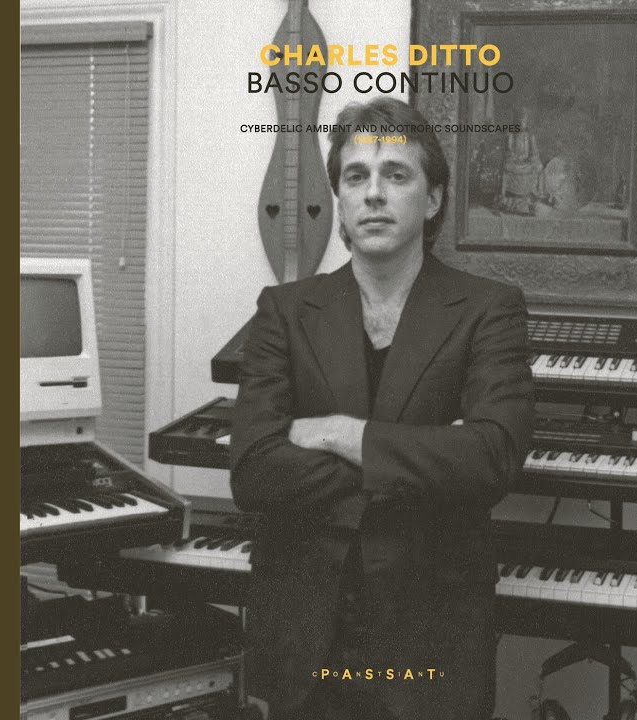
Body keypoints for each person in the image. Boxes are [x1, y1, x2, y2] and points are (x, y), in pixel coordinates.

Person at [230, 97, 535, 720]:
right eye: (356, 176)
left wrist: (338, 433)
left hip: (432, 633)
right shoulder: (284, 311)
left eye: (396, 174)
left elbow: (491, 458)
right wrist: (426, 453)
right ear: (339, 200)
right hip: (304, 635)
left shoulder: (489, 308)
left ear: (433, 198)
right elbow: (255, 470)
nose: (373, 193)